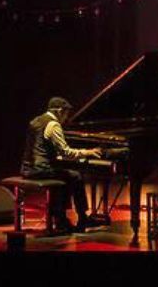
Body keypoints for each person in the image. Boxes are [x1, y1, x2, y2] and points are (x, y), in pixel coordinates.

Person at [21, 97, 104, 233]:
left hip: (27, 168)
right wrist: (88, 152)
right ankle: (81, 217)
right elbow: (66, 152)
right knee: (75, 176)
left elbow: (40, 148)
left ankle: (60, 218)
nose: (67, 118)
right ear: (60, 111)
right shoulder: (53, 124)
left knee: (65, 174)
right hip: (40, 169)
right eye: (66, 114)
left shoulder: (36, 120)